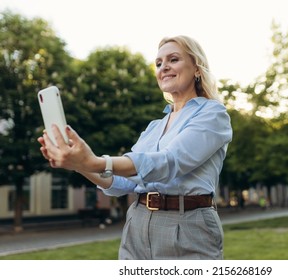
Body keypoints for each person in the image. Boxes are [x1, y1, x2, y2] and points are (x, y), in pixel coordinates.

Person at [38, 35, 232, 260]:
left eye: (173, 59)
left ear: (197, 68)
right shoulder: (154, 128)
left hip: (187, 225)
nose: (164, 67)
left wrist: (94, 161)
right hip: (137, 223)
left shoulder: (213, 114)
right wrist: (78, 164)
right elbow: (122, 182)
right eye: (159, 63)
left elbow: (169, 163)